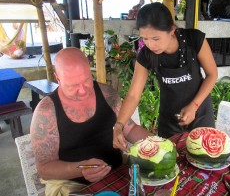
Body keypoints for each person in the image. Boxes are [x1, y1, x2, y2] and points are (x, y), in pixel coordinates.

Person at [30, 47, 152, 196]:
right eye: (73, 86)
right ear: (58, 78)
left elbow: (130, 129)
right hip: (72, 184)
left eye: (87, 80)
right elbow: (44, 169)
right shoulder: (46, 111)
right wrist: (80, 169)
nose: (82, 90)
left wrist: (158, 144)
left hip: (116, 172)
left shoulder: (107, 94)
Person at [113, 2, 218, 152]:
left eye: (156, 38)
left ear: (171, 30)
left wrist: (194, 106)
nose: (150, 45)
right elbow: (134, 94)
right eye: (145, 39)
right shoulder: (146, 55)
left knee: (205, 157)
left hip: (200, 112)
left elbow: (212, 75)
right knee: (170, 162)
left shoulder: (194, 40)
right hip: (170, 118)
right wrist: (119, 125)